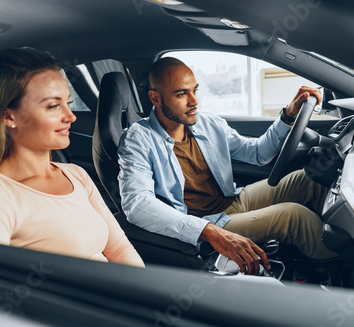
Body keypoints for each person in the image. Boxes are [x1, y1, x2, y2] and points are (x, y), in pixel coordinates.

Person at [117, 57, 336, 275]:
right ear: (155, 98)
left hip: (234, 198)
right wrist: (209, 231)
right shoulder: (138, 139)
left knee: (310, 179)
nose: (194, 101)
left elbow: (258, 153)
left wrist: (288, 115)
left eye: (195, 90)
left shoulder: (208, 123)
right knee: (294, 216)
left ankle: (339, 235)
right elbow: (136, 204)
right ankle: (343, 262)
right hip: (208, 223)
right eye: (181, 94)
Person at [0, 48, 144, 268]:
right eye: (53, 106)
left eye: (68, 102)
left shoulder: (76, 174)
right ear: (9, 117)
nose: (71, 116)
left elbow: (119, 249)